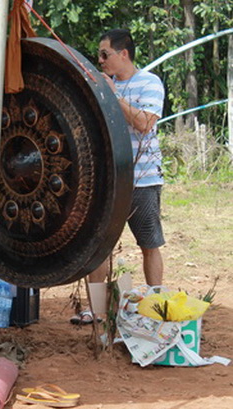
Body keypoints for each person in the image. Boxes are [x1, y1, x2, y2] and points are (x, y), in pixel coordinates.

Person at [72, 29, 166, 324]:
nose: (100, 61)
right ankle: (97, 312)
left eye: (104, 55)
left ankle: (156, 305)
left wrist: (114, 96)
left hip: (143, 180)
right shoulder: (102, 85)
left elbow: (144, 124)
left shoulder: (150, 83)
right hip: (108, 183)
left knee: (149, 244)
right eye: (98, 56)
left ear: (123, 54)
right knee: (97, 250)